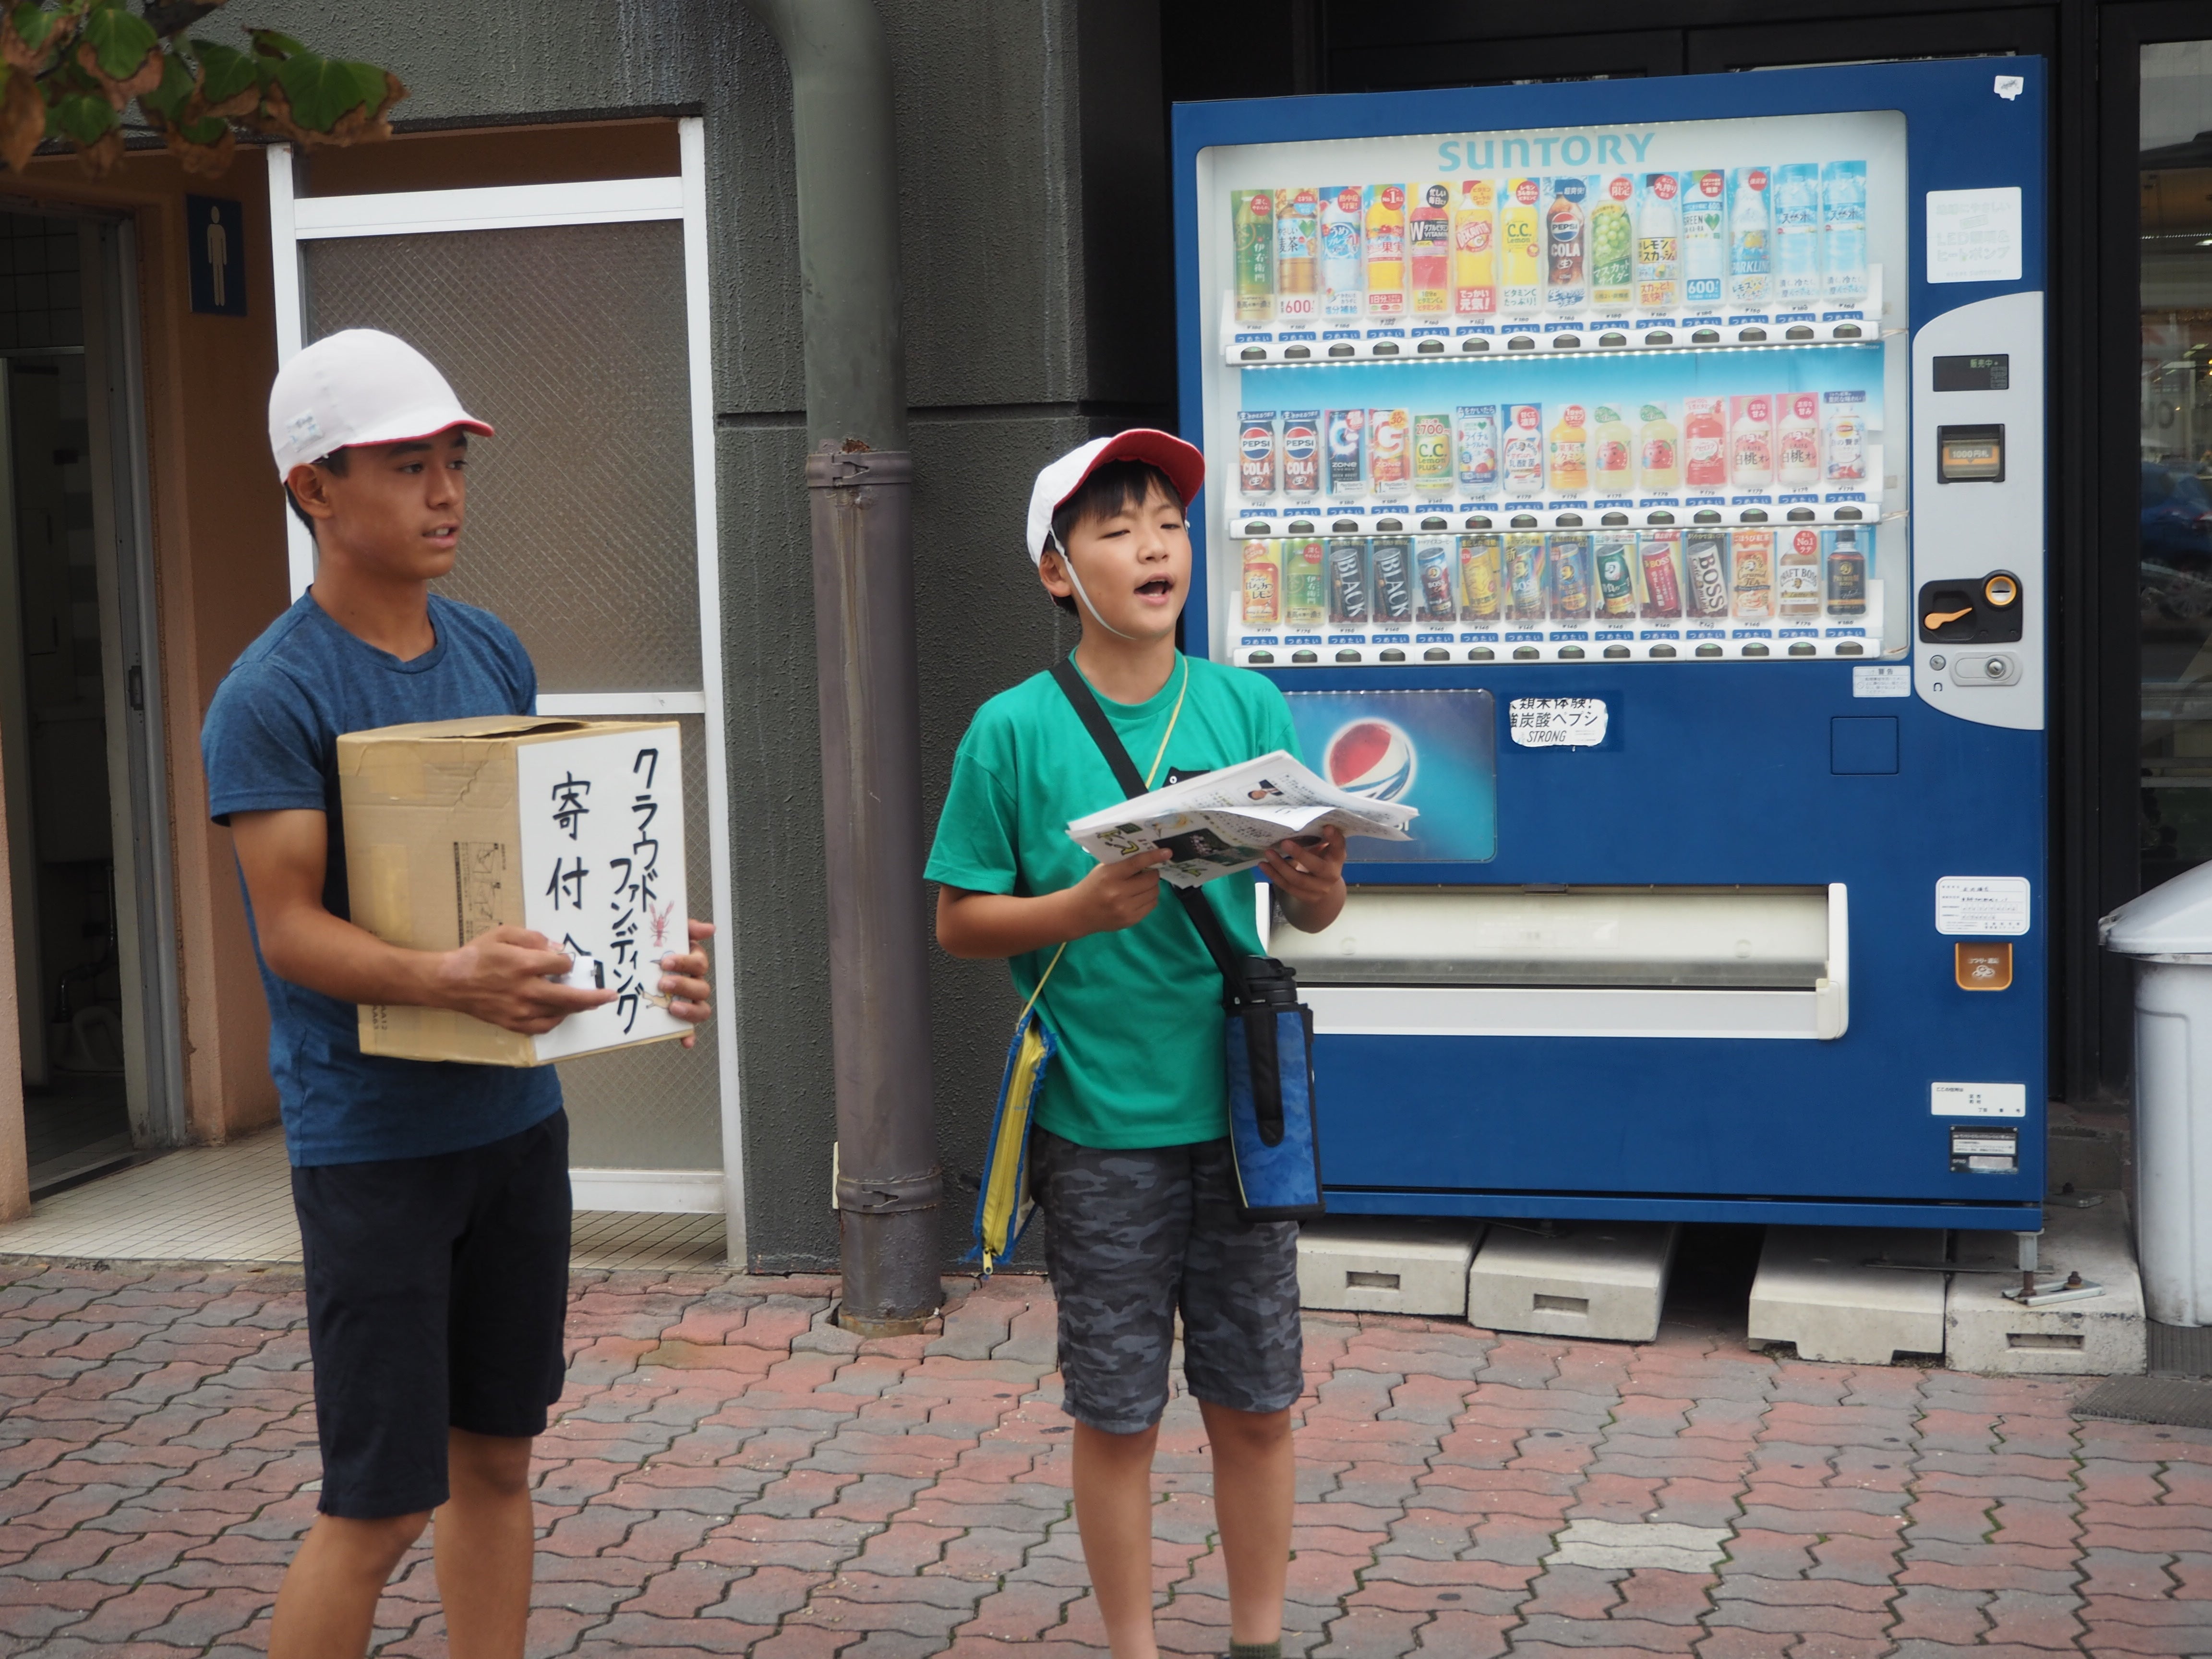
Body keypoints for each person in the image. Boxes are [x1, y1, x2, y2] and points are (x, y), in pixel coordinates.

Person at [200, 329, 714, 1659]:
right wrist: (447, 980)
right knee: (377, 1506)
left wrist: (643, 962)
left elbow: (540, 879)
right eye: (407, 465)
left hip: (514, 1130)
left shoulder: (490, 648)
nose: (445, 493)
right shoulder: (273, 693)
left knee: (498, 1460)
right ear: (314, 488)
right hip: (373, 1145)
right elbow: (289, 931)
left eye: (455, 464)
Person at [926, 431, 1346, 1659]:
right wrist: (1073, 910)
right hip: (1099, 1125)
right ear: (1059, 572)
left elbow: (1310, 914)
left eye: (1167, 522)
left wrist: (1320, 882)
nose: (1154, 546)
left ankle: (1258, 1641)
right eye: (1117, 529)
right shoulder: (1011, 730)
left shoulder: (1245, 706)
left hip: (1242, 1112)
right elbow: (957, 920)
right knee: (1117, 1416)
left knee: (1257, 1403)